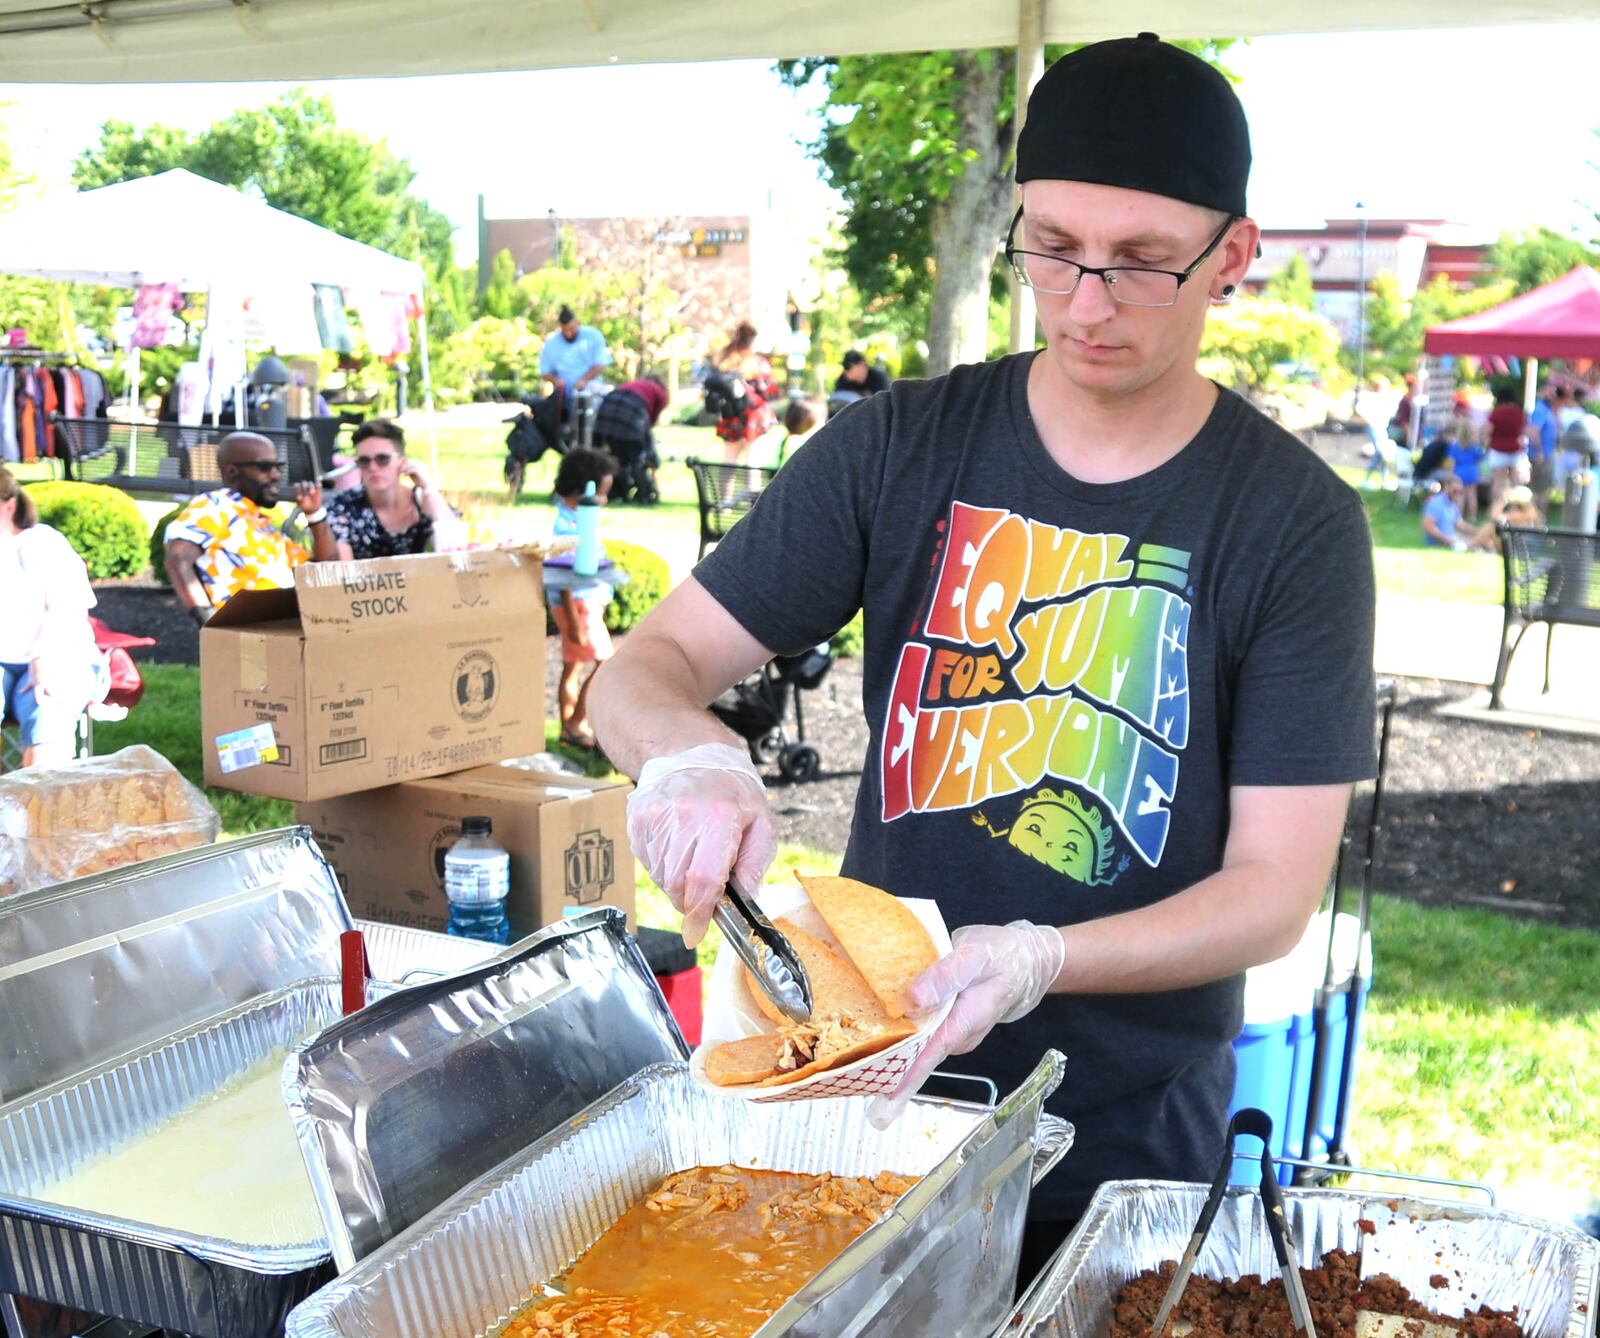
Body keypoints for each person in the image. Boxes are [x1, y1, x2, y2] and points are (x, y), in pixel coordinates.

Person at [589, 33, 1375, 1270]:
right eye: (1053, 250)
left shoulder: (1293, 525)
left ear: (1234, 256)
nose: (1088, 302)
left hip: (1124, 1139)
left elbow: (1273, 893)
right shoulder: (901, 446)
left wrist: (1041, 960)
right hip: (868, 1100)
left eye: (1142, 264)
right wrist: (689, 764)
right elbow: (641, 670)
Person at [163, 432, 333, 623]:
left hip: (281, 633)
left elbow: (325, 568)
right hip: (243, 636)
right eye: (265, 467)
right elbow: (177, 559)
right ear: (232, 471)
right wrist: (209, 620)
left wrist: (315, 515)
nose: (276, 475)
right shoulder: (215, 506)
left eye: (278, 467)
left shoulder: (260, 524)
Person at [0, 466, 103, 767]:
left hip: (59, 655)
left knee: (45, 712)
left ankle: (37, 809)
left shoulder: (41, 543)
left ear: (9, 506)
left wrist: (41, 660)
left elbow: (66, 610)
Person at [550, 447, 618, 751]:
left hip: (583, 604)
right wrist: (575, 619)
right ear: (583, 490)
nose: (603, 501)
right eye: (601, 494)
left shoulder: (573, 516)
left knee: (572, 665)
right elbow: (563, 577)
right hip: (578, 606)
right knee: (606, 664)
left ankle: (567, 726)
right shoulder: (566, 526)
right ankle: (577, 723)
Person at [323, 419, 461, 560]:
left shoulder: (423, 500)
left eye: (382, 459)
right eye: (364, 461)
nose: (373, 467)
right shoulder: (344, 506)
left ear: (402, 461)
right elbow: (343, 571)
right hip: (365, 581)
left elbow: (457, 551)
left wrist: (428, 488)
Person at [709, 321, 779, 464]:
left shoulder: (724, 361)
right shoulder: (757, 363)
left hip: (730, 417)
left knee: (729, 464)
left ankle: (723, 487)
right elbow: (769, 391)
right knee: (752, 466)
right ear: (752, 341)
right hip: (753, 417)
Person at [592, 377, 670, 505]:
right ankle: (644, 491)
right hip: (632, 412)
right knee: (635, 456)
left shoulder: (634, 383)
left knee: (615, 453)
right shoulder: (661, 394)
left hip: (607, 407)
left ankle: (618, 487)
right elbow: (651, 422)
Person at [539, 305, 612, 427]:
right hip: (564, 396)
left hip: (590, 390)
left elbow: (600, 364)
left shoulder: (593, 336)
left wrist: (584, 380)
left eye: (571, 329)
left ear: (577, 323)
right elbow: (545, 371)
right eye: (564, 330)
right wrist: (556, 380)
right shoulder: (551, 342)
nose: (568, 334)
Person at [1486, 385, 1529, 506]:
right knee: (1515, 483)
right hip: (1515, 449)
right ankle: (1515, 508)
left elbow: (1488, 430)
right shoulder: (1519, 413)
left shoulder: (1497, 413)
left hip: (1498, 449)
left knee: (1498, 482)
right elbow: (1523, 431)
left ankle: (1497, 507)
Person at [1448, 424, 1486, 522]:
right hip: (1472, 471)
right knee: (1472, 495)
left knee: (1460, 495)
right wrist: (1480, 473)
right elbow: (1480, 461)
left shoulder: (1455, 445)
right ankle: (1472, 516)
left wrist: (1451, 474)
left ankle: (1458, 516)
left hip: (1459, 471)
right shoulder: (1475, 446)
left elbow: (1452, 462)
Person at [1420, 475, 1468, 549]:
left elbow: (1461, 525)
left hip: (1453, 539)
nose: (1458, 494)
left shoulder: (1452, 504)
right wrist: (1449, 540)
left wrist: (1478, 532)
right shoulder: (1435, 503)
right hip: (1440, 543)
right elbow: (1428, 528)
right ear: (1446, 486)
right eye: (1455, 491)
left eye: (1460, 492)